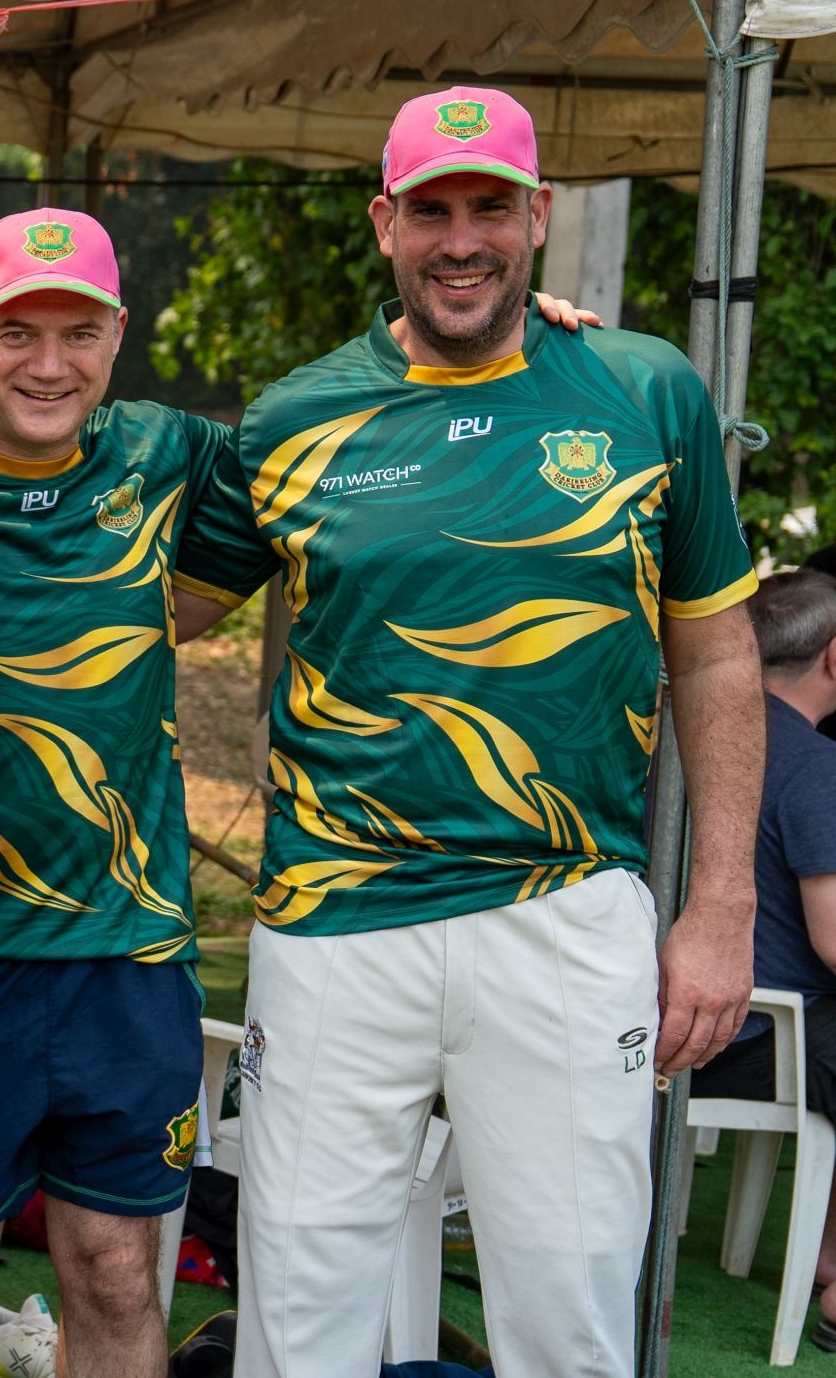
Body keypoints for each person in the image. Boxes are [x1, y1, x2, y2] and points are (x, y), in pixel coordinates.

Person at [211, 86, 763, 1378]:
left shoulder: (643, 387)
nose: (461, 240)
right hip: (335, 918)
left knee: (570, 1324)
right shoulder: (292, 416)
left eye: (489, 208)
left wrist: (721, 902)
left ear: (538, 216)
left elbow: (719, 650)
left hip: (565, 913)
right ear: (384, 223)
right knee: (299, 1323)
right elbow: (153, 599)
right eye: (432, 210)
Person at [0, 208, 279, 1376]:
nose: (49, 364)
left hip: (126, 949)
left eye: (78, 333)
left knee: (116, 1266)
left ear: (118, 334)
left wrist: (526, 331)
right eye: (18, 331)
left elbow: (355, 432)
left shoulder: (168, 451)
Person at [695, 568, 836, 1347]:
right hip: (749, 1034)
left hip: (655, 1018)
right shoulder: (814, 765)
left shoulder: (678, 737)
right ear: (833, 658)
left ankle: (827, 1255)